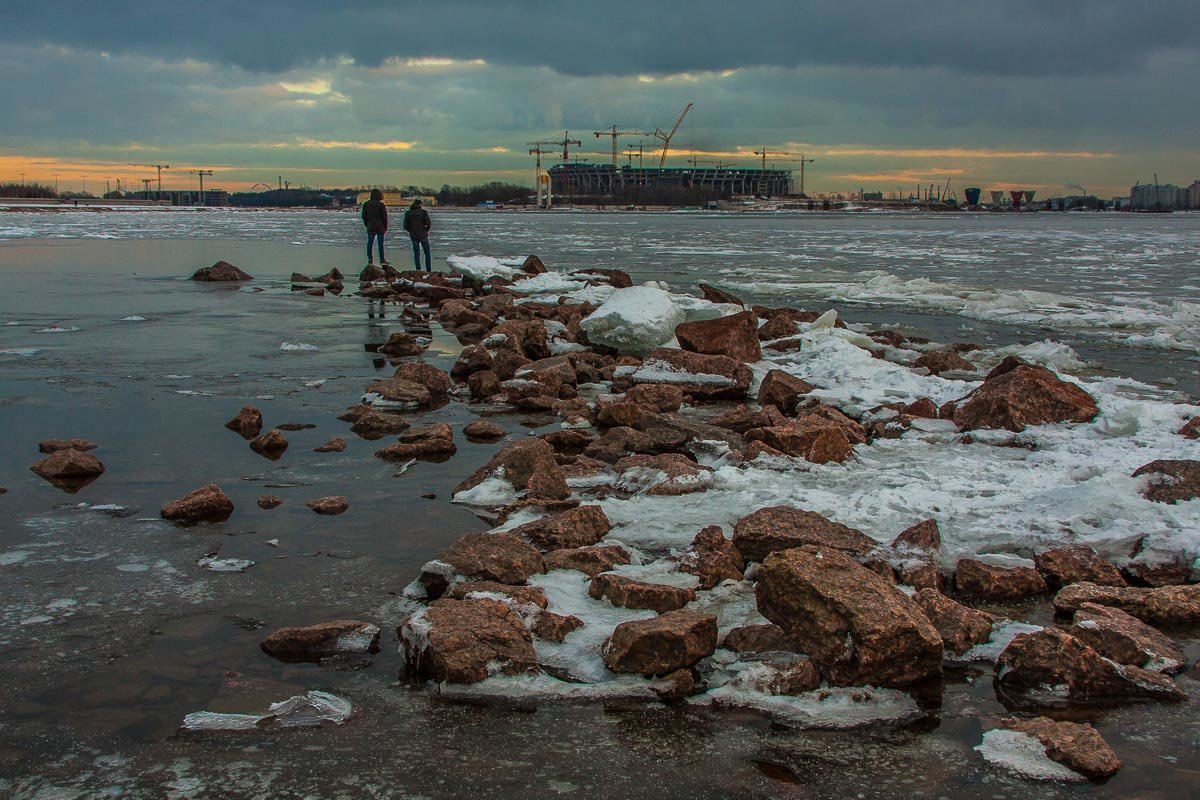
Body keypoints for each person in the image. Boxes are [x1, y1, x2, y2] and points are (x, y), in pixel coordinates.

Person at [361, 188, 389, 267]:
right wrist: (385, 227)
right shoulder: (381, 205)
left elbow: (364, 216)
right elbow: (384, 217)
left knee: (370, 244)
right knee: (380, 244)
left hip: (370, 227)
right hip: (380, 227)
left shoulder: (366, 204)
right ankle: (382, 260)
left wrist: (367, 224)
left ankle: (370, 260)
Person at [403, 199, 432, 271]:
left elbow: (405, 226)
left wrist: (410, 231)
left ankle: (418, 269)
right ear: (420, 204)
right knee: (427, 253)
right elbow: (428, 223)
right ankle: (428, 269)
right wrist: (426, 230)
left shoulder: (408, 213)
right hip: (423, 235)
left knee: (416, 254)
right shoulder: (423, 212)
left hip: (414, 236)